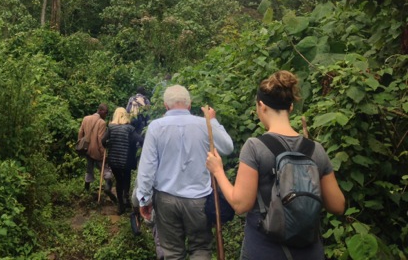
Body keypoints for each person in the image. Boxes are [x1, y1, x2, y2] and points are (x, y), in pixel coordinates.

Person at [206, 70, 346, 260]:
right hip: (309, 252)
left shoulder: (255, 147)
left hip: (264, 250)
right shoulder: (315, 149)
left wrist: (218, 170)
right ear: (290, 108)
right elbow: (338, 205)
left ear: (261, 106)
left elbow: (240, 204)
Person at [136, 85, 234, 260]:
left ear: (166, 106)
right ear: (189, 106)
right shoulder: (204, 125)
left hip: (166, 199)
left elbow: (147, 168)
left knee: (172, 252)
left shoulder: (156, 127)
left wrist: (144, 199)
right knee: (201, 248)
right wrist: (212, 121)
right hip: (199, 200)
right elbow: (227, 147)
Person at [102, 107, 144, 214]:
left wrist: (108, 145)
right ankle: (126, 199)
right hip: (126, 160)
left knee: (119, 181)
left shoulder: (111, 127)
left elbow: (103, 140)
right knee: (126, 178)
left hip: (114, 160)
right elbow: (139, 139)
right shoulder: (129, 128)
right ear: (126, 115)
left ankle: (120, 206)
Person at [78, 103, 109, 193]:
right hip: (97, 151)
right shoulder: (102, 123)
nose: (106, 115)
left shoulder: (86, 118)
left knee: (89, 169)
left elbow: (80, 132)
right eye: (106, 112)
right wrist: (104, 154)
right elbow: (100, 140)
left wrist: (80, 144)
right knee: (105, 169)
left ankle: (86, 189)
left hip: (86, 149)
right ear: (101, 111)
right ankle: (108, 188)